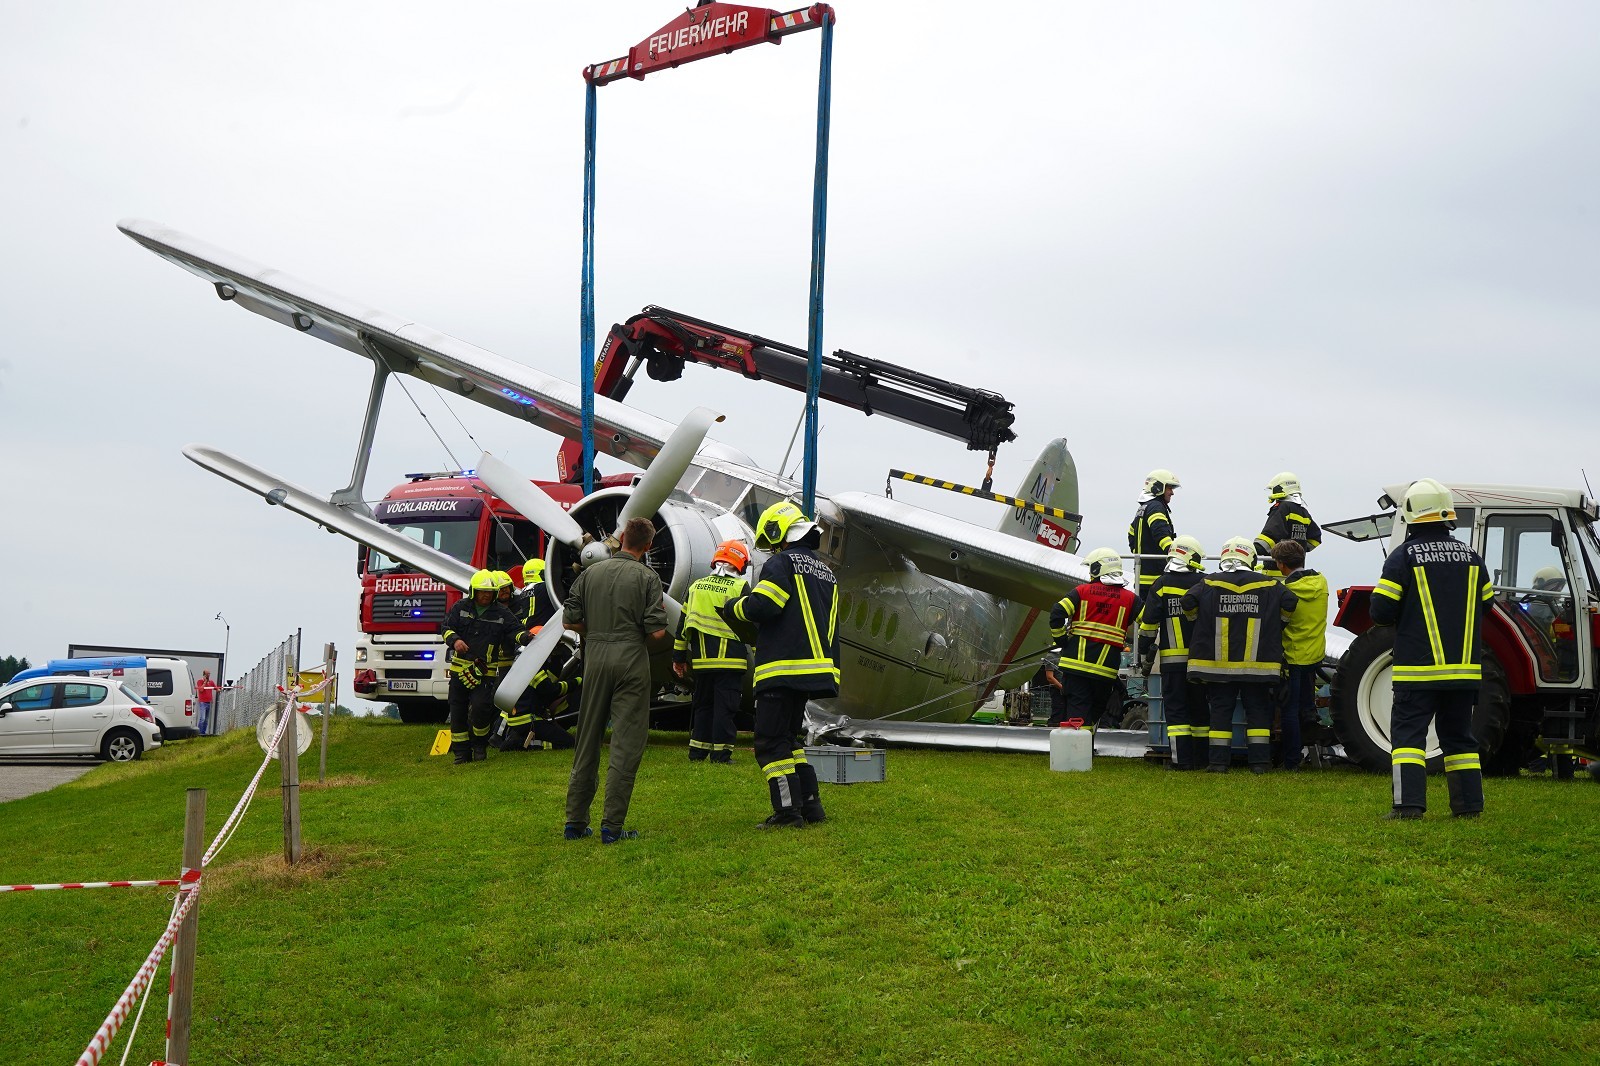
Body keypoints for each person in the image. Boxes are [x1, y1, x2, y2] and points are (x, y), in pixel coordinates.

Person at [1370, 478, 1493, 819]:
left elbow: (1380, 612)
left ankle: (1408, 806)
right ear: (1447, 515)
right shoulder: (1472, 556)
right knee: (1460, 739)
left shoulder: (1403, 557)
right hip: (1464, 671)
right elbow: (1487, 604)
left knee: (1408, 738)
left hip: (1417, 671)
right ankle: (1469, 808)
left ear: (1411, 514)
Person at [724, 501, 839, 830]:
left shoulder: (781, 563)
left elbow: (764, 605)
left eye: (773, 542)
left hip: (782, 669)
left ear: (780, 533)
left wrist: (733, 607)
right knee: (789, 741)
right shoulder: (826, 572)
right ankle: (811, 805)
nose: (773, 549)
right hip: (812, 671)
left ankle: (787, 812)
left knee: (770, 743)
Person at [562, 518, 671, 843]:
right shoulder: (647, 577)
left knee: (586, 739)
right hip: (631, 660)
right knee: (626, 744)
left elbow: (569, 620)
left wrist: (596, 631)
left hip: (595, 658)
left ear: (621, 538)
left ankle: (574, 823)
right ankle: (611, 826)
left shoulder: (589, 574)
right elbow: (658, 632)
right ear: (648, 546)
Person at [1182, 537, 1298, 774]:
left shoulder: (1209, 582)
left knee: (1220, 712)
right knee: (1257, 712)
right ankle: (1259, 763)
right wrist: (1278, 624)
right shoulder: (1268, 584)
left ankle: (1218, 763)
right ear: (1251, 558)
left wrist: (1197, 621)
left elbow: (1187, 602)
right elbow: (1290, 601)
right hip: (1258, 666)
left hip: (1218, 666)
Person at [674, 540, 752, 764]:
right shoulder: (740, 588)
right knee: (725, 709)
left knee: (703, 706)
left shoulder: (696, 587)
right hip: (731, 663)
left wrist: (678, 658)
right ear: (740, 563)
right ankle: (721, 755)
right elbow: (752, 626)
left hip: (702, 663)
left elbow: (682, 626)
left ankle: (697, 753)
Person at [1136, 535, 1207, 770]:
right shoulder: (1205, 582)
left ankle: (1181, 761)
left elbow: (1148, 625)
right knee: (1200, 711)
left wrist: (1144, 652)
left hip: (1173, 663)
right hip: (1201, 661)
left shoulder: (1162, 584)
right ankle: (1202, 760)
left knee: (1177, 714)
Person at [1050, 548, 1138, 732]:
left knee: (1078, 717)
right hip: (1105, 672)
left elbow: (1058, 612)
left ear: (1098, 569)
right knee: (1093, 716)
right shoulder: (1130, 598)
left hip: (1076, 668)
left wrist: (1061, 640)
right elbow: (1150, 620)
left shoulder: (1081, 591)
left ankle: (1078, 748)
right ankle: (1085, 744)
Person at [441, 569, 523, 764]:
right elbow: (446, 628)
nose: (486, 595)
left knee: (480, 709)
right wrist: (454, 640)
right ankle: (461, 753)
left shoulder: (501, 612)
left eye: (490, 592)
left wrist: (527, 637)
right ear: (473, 591)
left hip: (485, 672)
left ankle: (479, 745)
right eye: (482, 591)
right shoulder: (460, 607)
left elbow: (515, 630)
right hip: (459, 670)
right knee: (458, 711)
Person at [1272, 540, 1328, 771]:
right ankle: (1313, 753)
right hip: (1315, 655)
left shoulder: (1285, 590)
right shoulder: (1322, 582)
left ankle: (1292, 760)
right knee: (1307, 709)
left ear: (1281, 565)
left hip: (1293, 657)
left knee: (1289, 711)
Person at [1128, 470, 1179, 592]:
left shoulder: (1143, 508)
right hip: (1155, 579)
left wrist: (1141, 553)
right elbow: (1161, 534)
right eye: (1169, 488)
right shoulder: (1156, 507)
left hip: (1141, 577)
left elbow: (1131, 535)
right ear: (1158, 487)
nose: (1172, 493)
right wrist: (1177, 556)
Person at [1254, 472, 1322, 557]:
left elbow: (1271, 534)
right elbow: (1315, 538)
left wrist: (1253, 549)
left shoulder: (1283, 507)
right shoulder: (1304, 512)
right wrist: (1298, 551)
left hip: (1278, 564)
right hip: (1297, 564)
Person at [195, 669, 218, 736]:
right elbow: (201, 690)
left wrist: (220, 689)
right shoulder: (200, 681)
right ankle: (199, 732)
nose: (209, 675)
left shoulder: (211, 682)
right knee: (202, 718)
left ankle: (203, 732)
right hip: (202, 702)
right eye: (207, 674)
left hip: (209, 702)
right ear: (204, 675)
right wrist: (204, 682)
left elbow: (216, 688)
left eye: (209, 674)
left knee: (206, 719)